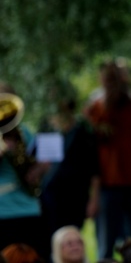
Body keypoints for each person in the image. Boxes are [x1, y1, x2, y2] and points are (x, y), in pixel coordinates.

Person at [84, 61, 131, 259]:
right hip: (109, 186)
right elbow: (87, 150)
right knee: (106, 245)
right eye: (109, 80)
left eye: (116, 78)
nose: (114, 83)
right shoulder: (97, 111)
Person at [38, 82, 99, 241]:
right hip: (50, 194)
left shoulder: (82, 130)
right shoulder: (46, 126)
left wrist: (94, 199)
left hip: (76, 196)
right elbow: (40, 163)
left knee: (72, 237)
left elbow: (94, 169)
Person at [0, 88, 49, 256]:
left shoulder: (24, 131)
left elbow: (45, 160)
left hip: (28, 208)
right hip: (3, 211)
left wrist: (37, 170)